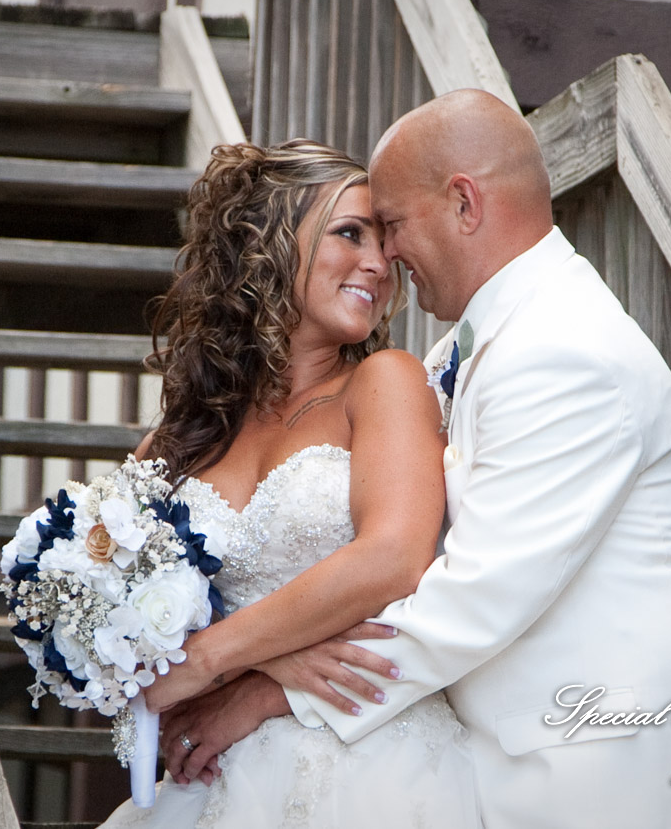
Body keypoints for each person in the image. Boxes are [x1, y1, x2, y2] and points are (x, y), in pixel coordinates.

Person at [144, 91, 671, 828]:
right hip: (495, 762)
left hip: (600, 770)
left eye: (391, 225)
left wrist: (262, 686)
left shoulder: (566, 348)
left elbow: (476, 592)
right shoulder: (458, 352)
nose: (386, 256)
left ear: (464, 203)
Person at [96, 139, 482, 827]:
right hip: (217, 771)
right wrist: (267, 664)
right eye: (349, 233)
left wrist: (220, 659)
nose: (379, 263)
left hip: (367, 763)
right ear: (263, 248)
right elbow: (121, 642)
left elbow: (393, 558)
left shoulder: (383, 382)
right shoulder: (178, 438)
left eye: (385, 244)